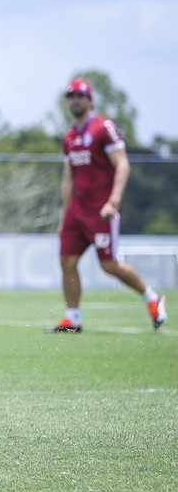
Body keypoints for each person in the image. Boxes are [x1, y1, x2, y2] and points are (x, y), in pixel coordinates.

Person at [48, 77, 167, 333]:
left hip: (101, 210)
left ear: (90, 99)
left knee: (109, 265)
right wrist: (64, 214)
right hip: (76, 211)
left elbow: (122, 164)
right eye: (71, 97)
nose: (75, 101)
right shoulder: (69, 137)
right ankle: (73, 318)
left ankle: (152, 298)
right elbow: (68, 178)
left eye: (79, 96)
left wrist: (113, 201)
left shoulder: (104, 128)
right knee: (67, 261)